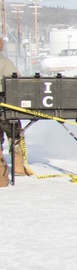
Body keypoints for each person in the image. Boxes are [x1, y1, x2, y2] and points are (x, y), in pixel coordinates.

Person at [0, 39, 20, 185]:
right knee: (15, 132)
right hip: (4, 104)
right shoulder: (4, 62)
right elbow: (16, 80)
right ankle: (18, 165)